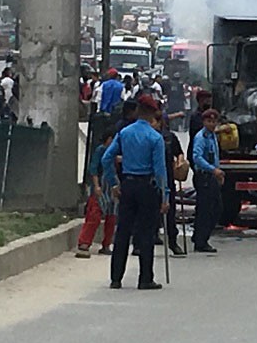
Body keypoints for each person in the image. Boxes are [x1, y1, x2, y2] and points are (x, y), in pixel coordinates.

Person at [102, 94, 169, 290]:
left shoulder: (124, 133)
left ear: (138, 110)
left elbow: (107, 158)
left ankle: (116, 278)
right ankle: (145, 278)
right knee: (146, 233)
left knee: (123, 231)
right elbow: (160, 171)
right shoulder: (155, 138)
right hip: (147, 187)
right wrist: (165, 196)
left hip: (127, 186)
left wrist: (114, 182)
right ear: (153, 113)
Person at [76, 129, 117, 258]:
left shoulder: (115, 152)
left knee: (112, 217)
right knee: (94, 215)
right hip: (101, 186)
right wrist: (97, 186)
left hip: (112, 188)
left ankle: (106, 244)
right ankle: (84, 243)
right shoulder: (100, 151)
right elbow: (94, 169)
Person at [192, 108, 225, 253]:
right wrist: (213, 170)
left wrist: (218, 173)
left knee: (216, 209)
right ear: (204, 121)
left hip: (211, 176)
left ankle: (199, 236)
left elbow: (215, 157)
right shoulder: (201, 137)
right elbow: (197, 157)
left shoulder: (212, 136)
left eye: (214, 121)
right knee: (205, 210)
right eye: (209, 121)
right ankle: (201, 241)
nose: (211, 124)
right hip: (204, 176)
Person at [158, 112, 186, 255]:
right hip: (152, 179)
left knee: (171, 212)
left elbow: (179, 152)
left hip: (168, 177)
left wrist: (180, 162)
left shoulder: (170, 137)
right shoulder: (148, 137)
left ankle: (173, 242)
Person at [187, 89, 213, 163]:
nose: (209, 103)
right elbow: (202, 132)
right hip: (198, 154)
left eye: (209, 101)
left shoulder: (211, 115)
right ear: (200, 101)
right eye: (206, 101)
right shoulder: (196, 117)